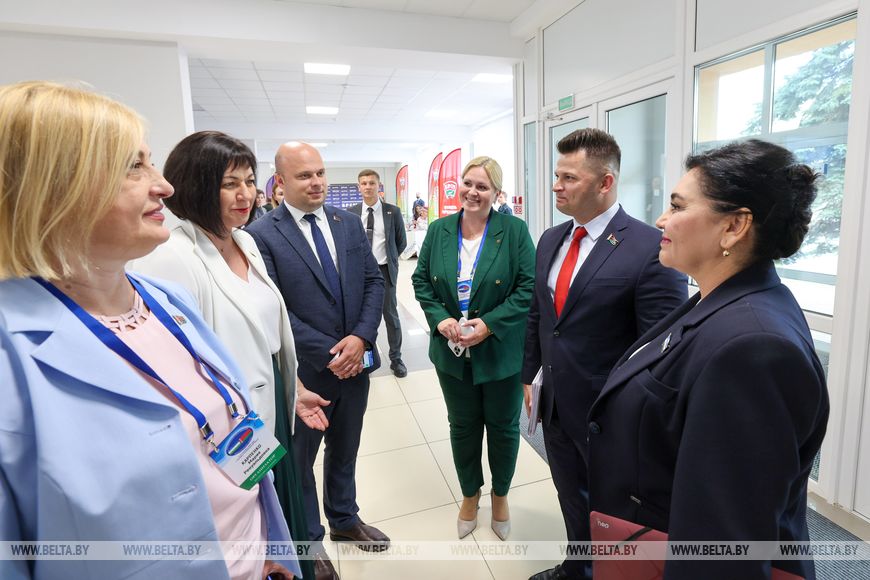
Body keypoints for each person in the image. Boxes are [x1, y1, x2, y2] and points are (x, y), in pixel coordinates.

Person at [0, 81, 299, 580]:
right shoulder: (12, 357)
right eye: (132, 167)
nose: (163, 186)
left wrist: (266, 544)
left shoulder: (163, 300)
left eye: (150, 163)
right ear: (51, 189)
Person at [587, 140, 829, 579]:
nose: (661, 220)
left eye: (678, 207)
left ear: (734, 226)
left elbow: (722, 547)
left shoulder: (753, 349)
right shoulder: (718, 299)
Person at [131, 130, 331, 580]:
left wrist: (294, 388)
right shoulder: (173, 255)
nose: (246, 195)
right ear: (197, 186)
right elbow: (179, 370)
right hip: (227, 431)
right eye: (229, 184)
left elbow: (265, 334)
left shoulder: (244, 241)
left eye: (250, 181)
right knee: (256, 534)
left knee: (282, 514)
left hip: (269, 406)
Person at [522, 128, 686, 580]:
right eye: (557, 175)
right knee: (571, 496)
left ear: (605, 182)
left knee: (616, 510)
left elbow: (660, 347)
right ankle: (579, 567)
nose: (556, 186)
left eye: (568, 178)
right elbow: (540, 315)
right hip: (556, 404)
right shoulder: (551, 239)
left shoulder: (649, 247)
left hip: (611, 416)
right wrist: (529, 374)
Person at [246, 142, 388, 577]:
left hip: (355, 365)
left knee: (346, 448)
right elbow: (274, 308)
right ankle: (309, 542)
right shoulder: (260, 235)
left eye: (320, 173)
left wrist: (361, 339)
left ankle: (344, 519)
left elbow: (373, 281)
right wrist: (332, 354)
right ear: (280, 181)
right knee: (301, 463)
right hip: (305, 373)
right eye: (304, 175)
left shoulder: (347, 223)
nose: (316, 182)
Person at [412, 156, 535, 541]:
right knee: (463, 426)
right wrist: (439, 319)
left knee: (503, 427)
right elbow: (421, 282)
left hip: (500, 352)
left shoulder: (513, 231)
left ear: (496, 193)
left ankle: (500, 495)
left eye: (483, 186)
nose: (472, 192)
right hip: (452, 354)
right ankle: (470, 494)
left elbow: (527, 288)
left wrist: (489, 324)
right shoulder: (439, 230)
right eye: (468, 183)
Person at [347, 169, 408, 377]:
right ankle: (363, 359)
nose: (368, 187)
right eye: (364, 183)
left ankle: (396, 359)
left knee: (391, 316)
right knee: (359, 317)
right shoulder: (351, 213)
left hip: (384, 271)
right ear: (359, 187)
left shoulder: (392, 212)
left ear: (378, 186)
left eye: (371, 183)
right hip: (359, 273)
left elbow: (401, 242)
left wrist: (389, 259)